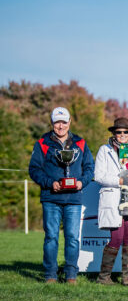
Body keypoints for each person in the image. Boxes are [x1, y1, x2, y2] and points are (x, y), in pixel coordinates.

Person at [28, 107, 95, 284]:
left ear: (69, 122)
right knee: (51, 237)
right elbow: (34, 170)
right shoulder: (42, 142)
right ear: (52, 123)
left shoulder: (80, 143)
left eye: (64, 122)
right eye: (57, 122)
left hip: (73, 199)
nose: (60, 126)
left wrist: (82, 182)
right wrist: (51, 183)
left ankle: (71, 274)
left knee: (72, 238)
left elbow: (89, 168)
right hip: (51, 198)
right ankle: (50, 274)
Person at [94, 117, 128, 286]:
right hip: (114, 198)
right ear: (113, 133)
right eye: (119, 132)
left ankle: (126, 278)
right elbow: (98, 176)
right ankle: (104, 277)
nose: (122, 135)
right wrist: (120, 180)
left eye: (126, 132)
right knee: (116, 238)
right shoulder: (105, 150)